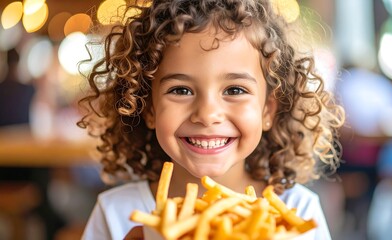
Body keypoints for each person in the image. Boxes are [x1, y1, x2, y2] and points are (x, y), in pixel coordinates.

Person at [78, 0, 345, 239]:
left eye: (234, 90)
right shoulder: (115, 214)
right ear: (148, 109)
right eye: (181, 90)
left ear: (267, 111)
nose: (207, 115)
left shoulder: (298, 213)